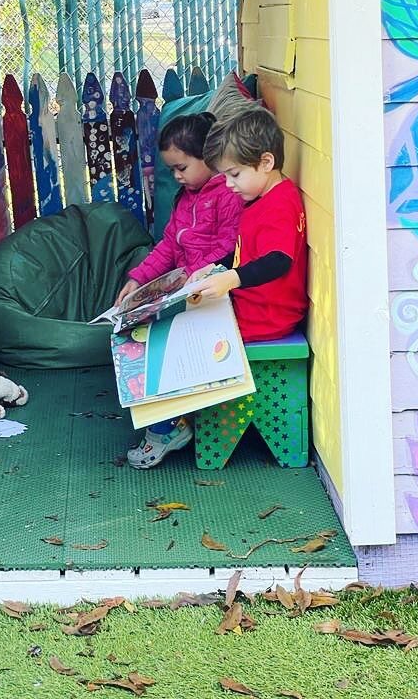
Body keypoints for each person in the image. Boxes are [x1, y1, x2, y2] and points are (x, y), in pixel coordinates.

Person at [116, 112, 244, 469]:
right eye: (172, 169)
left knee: (157, 339)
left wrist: (191, 274)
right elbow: (169, 246)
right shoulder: (187, 196)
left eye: (182, 167)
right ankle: (163, 417)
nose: (176, 176)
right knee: (135, 330)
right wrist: (138, 280)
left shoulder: (227, 194)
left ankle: (165, 428)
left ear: (210, 158)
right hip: (187, 288)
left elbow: (228, 246)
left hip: (214, 294)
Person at [192, 106, 308, 342]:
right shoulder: (260, 198)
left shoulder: (280, 204)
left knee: (190, 338)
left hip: (265, 318)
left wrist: (231, 278)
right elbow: (246, 255)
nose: (228, 184)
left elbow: (278, 260)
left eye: (234, 174)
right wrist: (216, 267)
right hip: (251, 309)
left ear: (266, 162)